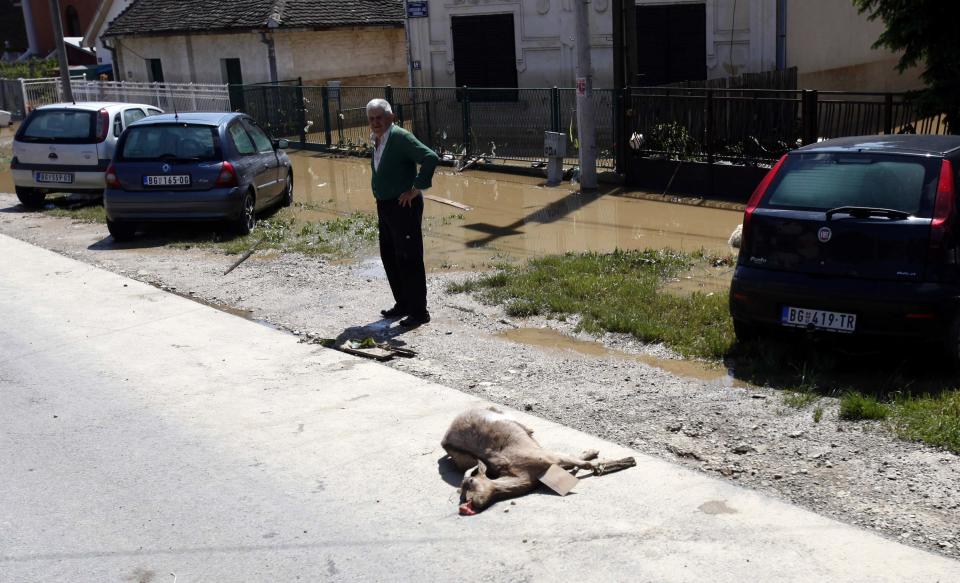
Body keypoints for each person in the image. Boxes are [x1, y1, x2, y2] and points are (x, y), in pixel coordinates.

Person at [366, 98, 439, 327]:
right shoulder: (377, 139)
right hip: (385, 206)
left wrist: (415, 189)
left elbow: (430, 158)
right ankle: (403, 303)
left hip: (403, 205)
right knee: (390, 256)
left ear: (391, 117)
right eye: (371, 119)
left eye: (379, 117)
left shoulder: (400, 137)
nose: (376, 122)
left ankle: (419, 312)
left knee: (409, 258)